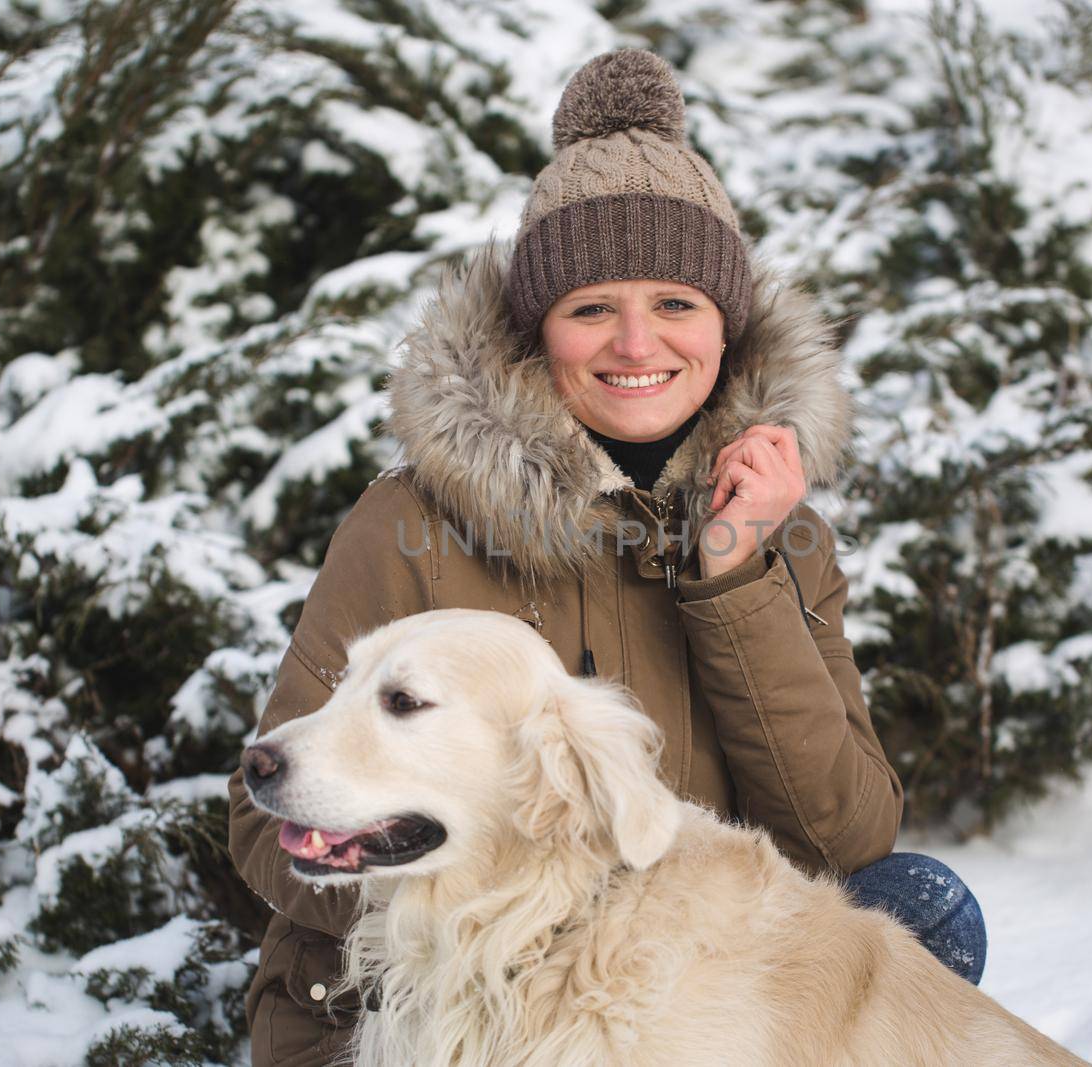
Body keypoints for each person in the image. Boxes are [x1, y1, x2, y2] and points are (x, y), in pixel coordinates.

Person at [227, 48, 986, 1067]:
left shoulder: (783, 532)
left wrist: (732, 574)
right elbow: (263, 817)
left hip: (667, 988)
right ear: (539, 330)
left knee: (916, 911)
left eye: (675, 303)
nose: (636, 343)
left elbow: (842, 841)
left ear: (727, 325)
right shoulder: (407, 523)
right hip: (412, 997)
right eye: (591, 308)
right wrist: (505, 897)